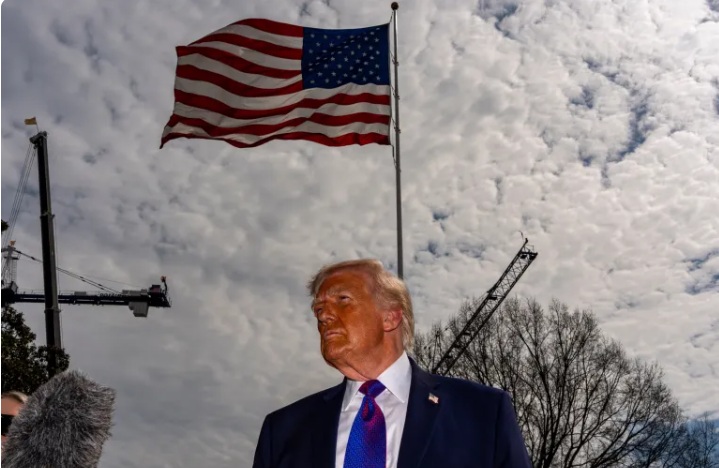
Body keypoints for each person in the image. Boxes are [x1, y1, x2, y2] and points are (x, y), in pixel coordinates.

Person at [253, 259, 532, 468]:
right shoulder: (283, 431)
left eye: (342, 299)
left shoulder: (483, 412)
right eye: (318, 308)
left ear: (390, 317)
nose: (323, 315)